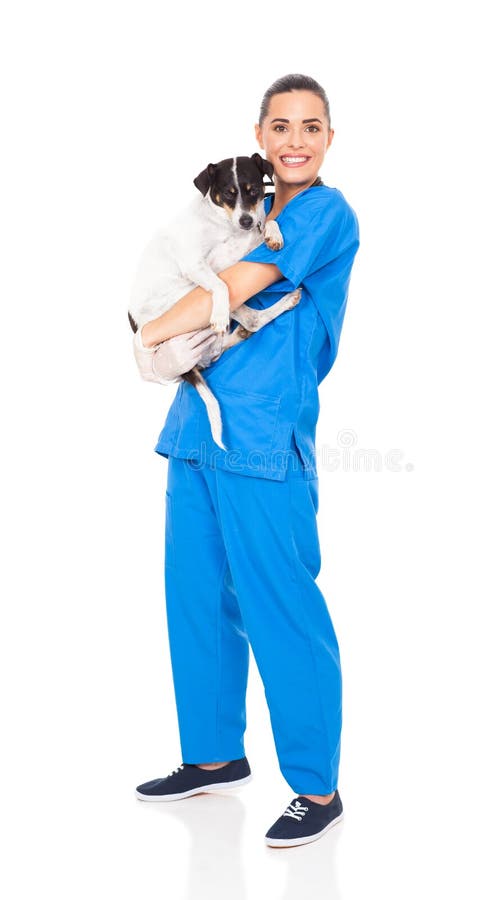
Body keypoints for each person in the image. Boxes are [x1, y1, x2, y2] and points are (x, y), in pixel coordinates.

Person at [131, 73, 360, 848]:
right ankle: (213, 756)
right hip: (198, 427)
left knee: (281, 606)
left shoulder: (325, 214)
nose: (296, 139)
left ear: (330, 138)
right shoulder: (239, 207)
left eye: (312, 126)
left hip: (263, 437)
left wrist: (148, 331)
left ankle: (317, 789)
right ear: (260, 137)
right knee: (195, 596)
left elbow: (239, 285)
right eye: (282, 126)